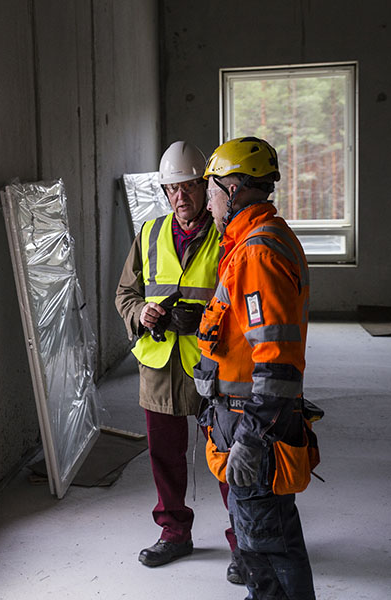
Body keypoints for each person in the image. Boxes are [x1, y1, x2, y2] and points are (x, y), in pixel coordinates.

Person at [195, 136, 316, 599]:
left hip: (252, 421)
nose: (208, 199)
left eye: (212, 189)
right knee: (255, 540)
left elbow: (277, 361)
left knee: (269, 543)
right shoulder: (253, 241)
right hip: (241, 415)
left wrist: (253, 436)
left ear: (236, 188)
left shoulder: (256, 253)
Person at [115, 141, 240, 582]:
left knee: (227, 456)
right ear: (165, 192)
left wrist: (205, 319)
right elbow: (125, 294)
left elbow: (242, 300)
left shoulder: (228, 236)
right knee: (164, 454)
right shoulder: (149, 234)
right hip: (160, 365)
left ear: (204, 188)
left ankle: (242, 542)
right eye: (173, 189)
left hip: (212, 366)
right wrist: (140, 314)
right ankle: (174, 533)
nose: (181, 196)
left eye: (189, 187)